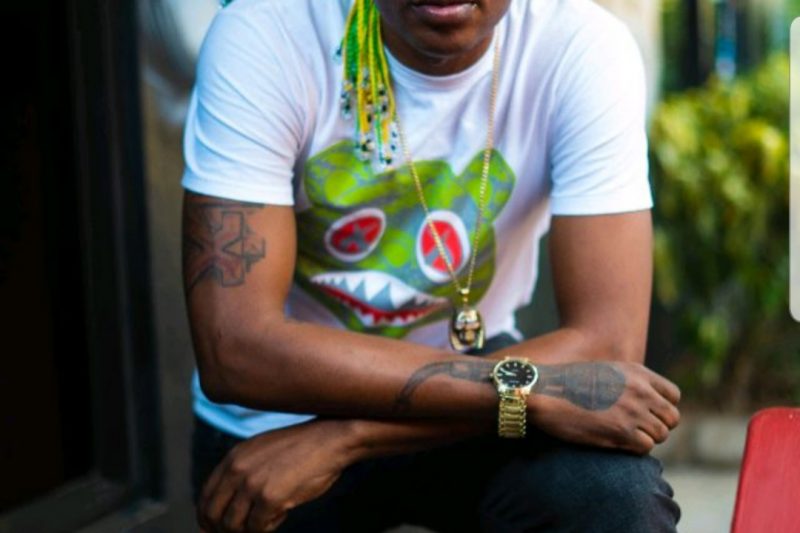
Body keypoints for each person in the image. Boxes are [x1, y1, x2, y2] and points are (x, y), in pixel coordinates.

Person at [181, 0, 682, 531]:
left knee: (612, 497)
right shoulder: (268, 33)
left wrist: (350, 436)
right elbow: (234, 349)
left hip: (470, 404)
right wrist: (530, 390)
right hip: (281, 424)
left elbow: (608, 346)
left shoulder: (580, 48)